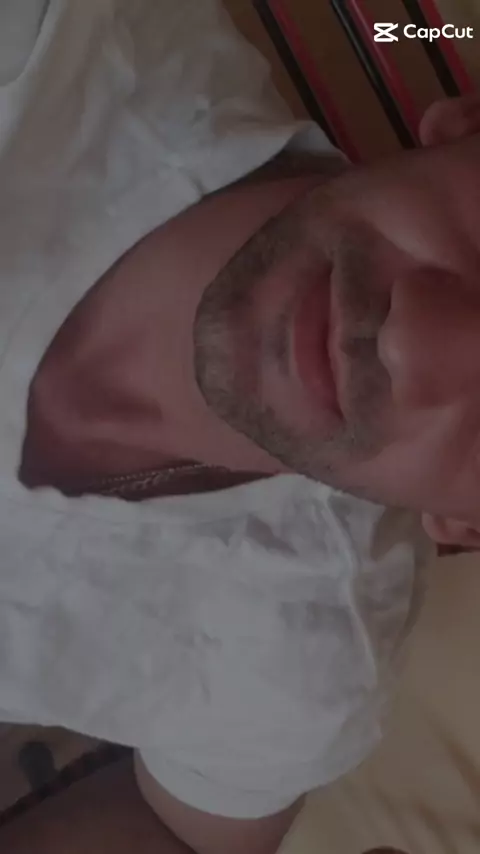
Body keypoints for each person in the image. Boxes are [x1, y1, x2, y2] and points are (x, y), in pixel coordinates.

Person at [1, 1, 479, 853]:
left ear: (467, 524)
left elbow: (177, 829)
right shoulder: (42, 43)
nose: (411, 340)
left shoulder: (305, 657)